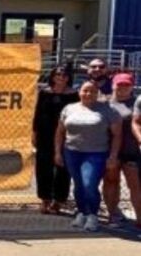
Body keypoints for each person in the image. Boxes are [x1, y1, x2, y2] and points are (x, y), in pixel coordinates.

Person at [55, 81, 121, 231]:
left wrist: (113, 156)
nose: (88, 94)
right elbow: (60, 132)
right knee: (78, 185)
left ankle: (92, 215)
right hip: (71, 152)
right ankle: (82, 212)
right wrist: (58, 152)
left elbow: (117, 135)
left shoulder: (107, 110)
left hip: (96, 153)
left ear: (97, 93)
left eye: (92, 91)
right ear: (79, 92)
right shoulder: (69, 108)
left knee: (89, 184)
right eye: (85, 91)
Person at [33, 65, 78, 214]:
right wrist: (34, 133)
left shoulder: (74, 95)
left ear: (68, 78)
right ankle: (45, 199)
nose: (61, 77)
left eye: (64, 75)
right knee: (43, 167)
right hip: (45, 134)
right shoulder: (44, 93)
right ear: (52, 76)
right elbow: (37, 114)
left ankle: (58, 200)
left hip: (66, 134)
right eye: (58, 74)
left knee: (62, 168)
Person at [102, 73, 141, 228]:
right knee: (111, 182)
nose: (123, 88)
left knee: (136, 185)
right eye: (120, 84)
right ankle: (113, 215)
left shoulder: (137, 103)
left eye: (126, 85)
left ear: (132, 86)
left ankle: (139, 218)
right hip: (109, 150)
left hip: (132, 151)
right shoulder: (103, 103)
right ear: (113, 85)